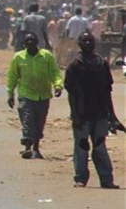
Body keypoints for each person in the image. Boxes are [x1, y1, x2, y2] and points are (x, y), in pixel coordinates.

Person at [64, 32, 125, 189]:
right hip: (82, 114)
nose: (88, 43)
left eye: (90, 40)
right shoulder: (74, 66)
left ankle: (106, 179)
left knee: (100, 147)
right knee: (81, 147)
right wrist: (75, 116)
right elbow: (71, 94)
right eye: (84, 40)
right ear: (79, 43)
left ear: (95, 43)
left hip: (100, 114)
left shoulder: (101, 64)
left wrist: (112, 116)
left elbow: (107, 92)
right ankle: (80, 178)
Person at [7, 31, 63, 159]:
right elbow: (12, 76)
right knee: (27, 120)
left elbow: (55, 72)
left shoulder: (46, 56)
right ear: (24, 44)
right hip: (26, 94)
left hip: (43, 95)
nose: (30, 43)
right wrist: (10, 94)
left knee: (39, 122)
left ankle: (36, 148)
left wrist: (58, 85)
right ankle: (27, 147)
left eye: (33, 40)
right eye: (28, 41)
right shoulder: (18, 57)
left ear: (37, 42)